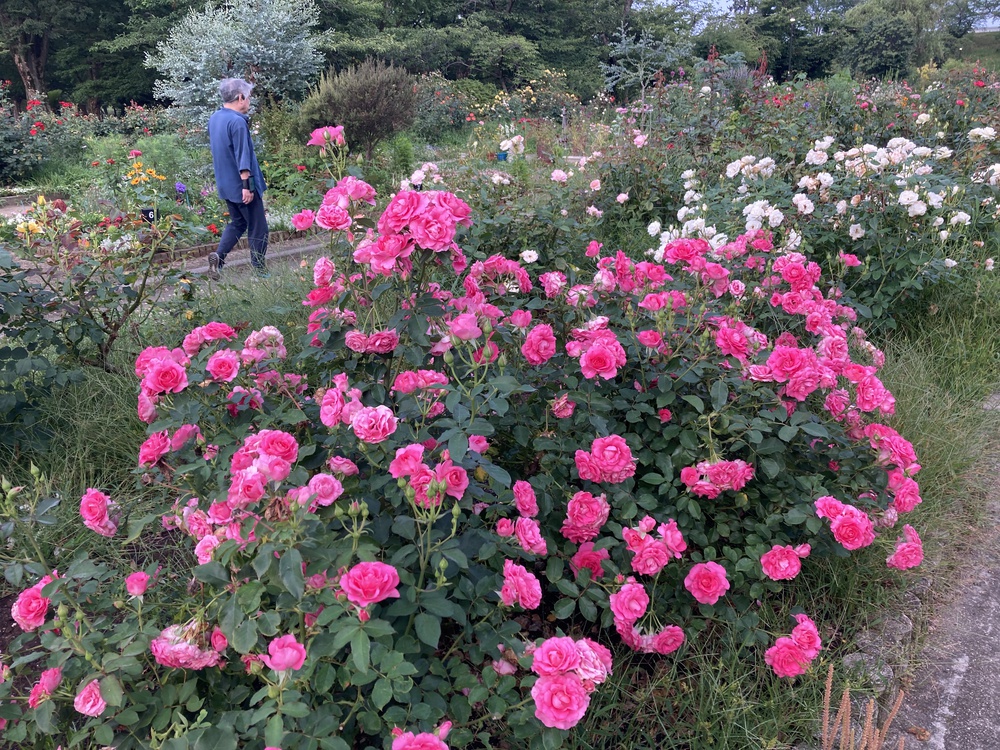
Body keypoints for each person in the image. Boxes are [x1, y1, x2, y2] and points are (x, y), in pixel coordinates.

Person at [206, 77, 269, 279]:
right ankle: (259, 269)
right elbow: (243, 157)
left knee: (238, 223)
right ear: (240, 97)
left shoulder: (215, 118)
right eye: (248, 97)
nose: (249, 101)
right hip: (242, 185)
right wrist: (247, 186)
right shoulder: (237, 122)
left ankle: (218, 257)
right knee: (259, 227)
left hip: (225, 184)